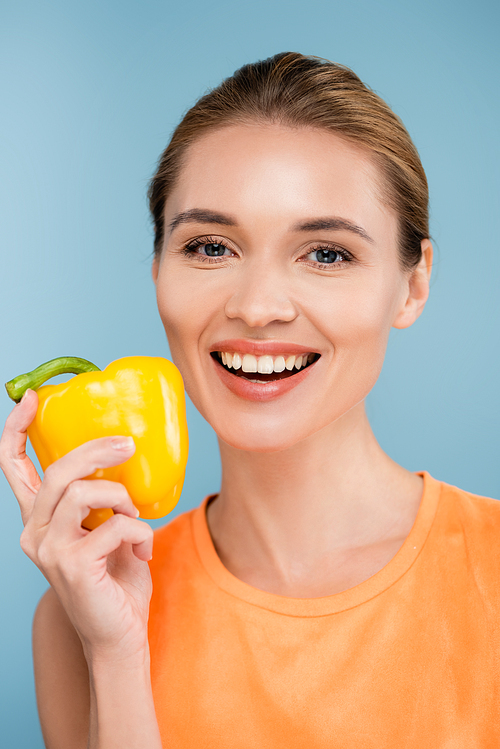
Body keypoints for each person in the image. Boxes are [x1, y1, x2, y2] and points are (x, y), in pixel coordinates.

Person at [1, 52, 499, 749]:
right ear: (156, 271)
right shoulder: (79, 617)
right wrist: (116, 656)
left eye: (326, 253)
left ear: (412, 286)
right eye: (210, 247)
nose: (258, 307)